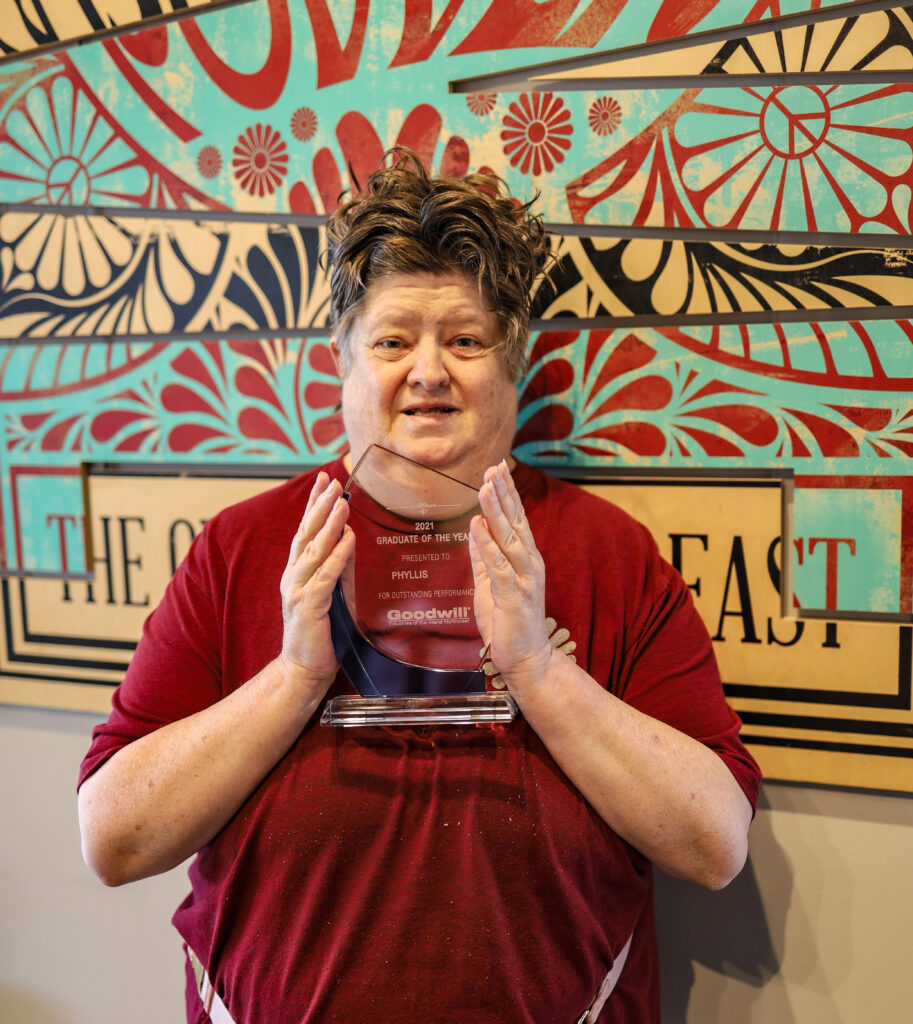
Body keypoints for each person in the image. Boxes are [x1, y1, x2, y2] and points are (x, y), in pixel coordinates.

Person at [78, 152, 761, 1024]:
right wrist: (293, 678)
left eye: (466, 341)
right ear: (342, 362)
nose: (429, 372)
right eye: (393, 340)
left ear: (511, 364)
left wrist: (540, 674)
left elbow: (713, 846)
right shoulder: (242, 548)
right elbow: (113, 838)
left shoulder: (608, 555)